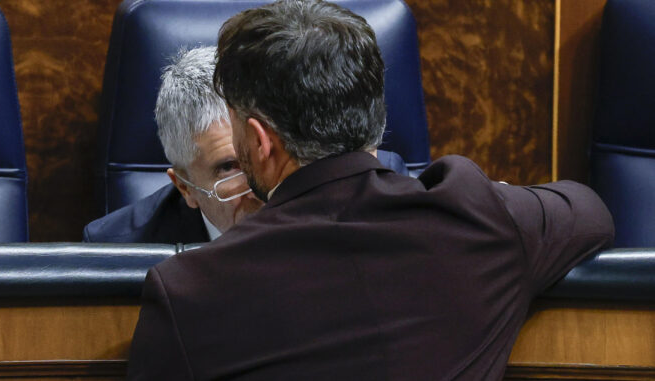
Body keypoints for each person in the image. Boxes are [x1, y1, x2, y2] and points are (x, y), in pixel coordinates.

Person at [127, 1, 614, 380]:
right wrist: (494, 199)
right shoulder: (478, 216)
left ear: (258, 140)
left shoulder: (190, 293)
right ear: (375, 118)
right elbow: (589, 211)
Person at [82, 46, 408, 244]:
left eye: (267, 150)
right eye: (230, 167)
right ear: (185, 188)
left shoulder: (373, 181)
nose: (261, 182)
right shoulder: (118, 249)